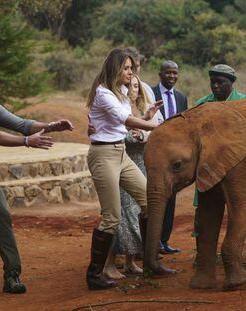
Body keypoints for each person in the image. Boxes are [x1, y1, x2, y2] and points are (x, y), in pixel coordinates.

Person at [0, 65, 74, 294]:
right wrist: (26, 142)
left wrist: (50, 126)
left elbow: (23, 124)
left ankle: (12, 276)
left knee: (3, 216)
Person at [85, 48, 164, 290]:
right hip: (103, 154)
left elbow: (129, 122)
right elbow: (127, 121)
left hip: (120, 153)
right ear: (115, 69)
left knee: (150, 202)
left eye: (131, 68)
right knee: (112, 216)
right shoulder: (104, 93)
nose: (131, 73)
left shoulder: (120, 91)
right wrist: (154, 125)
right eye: (127, 68)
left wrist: (148, 115)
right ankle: (94, 275)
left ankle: (149, 262)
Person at [194, 64, 246, 262]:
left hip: (241, 167)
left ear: (232, 83)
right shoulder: (202, 104)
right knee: (204, 213)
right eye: (213, 82)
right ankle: (203, 255)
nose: (215, 86)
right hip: (209, 166)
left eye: (220, 82)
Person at [104, 74, 161, 279]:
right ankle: (108, 264)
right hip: (122, 162)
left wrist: (143, 133)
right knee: (121, 215)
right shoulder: (117, 107)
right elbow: (113, 132)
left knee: (137, 212)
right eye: (128, 85)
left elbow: (154, 133)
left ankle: (129, 262)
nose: (133, 88)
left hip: (141, 164)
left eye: (136, 85)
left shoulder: (144, 109)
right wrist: (133, 135)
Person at [152, 60, 188, 254]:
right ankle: (151, 242)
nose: (171, 76)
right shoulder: (150, 93)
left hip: (174, 155)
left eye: (175, 73)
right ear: (160, 74)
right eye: (168, 73)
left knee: (171, 197)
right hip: (155, 151)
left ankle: (163, 242)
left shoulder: (182, 98)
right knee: (155, 197)